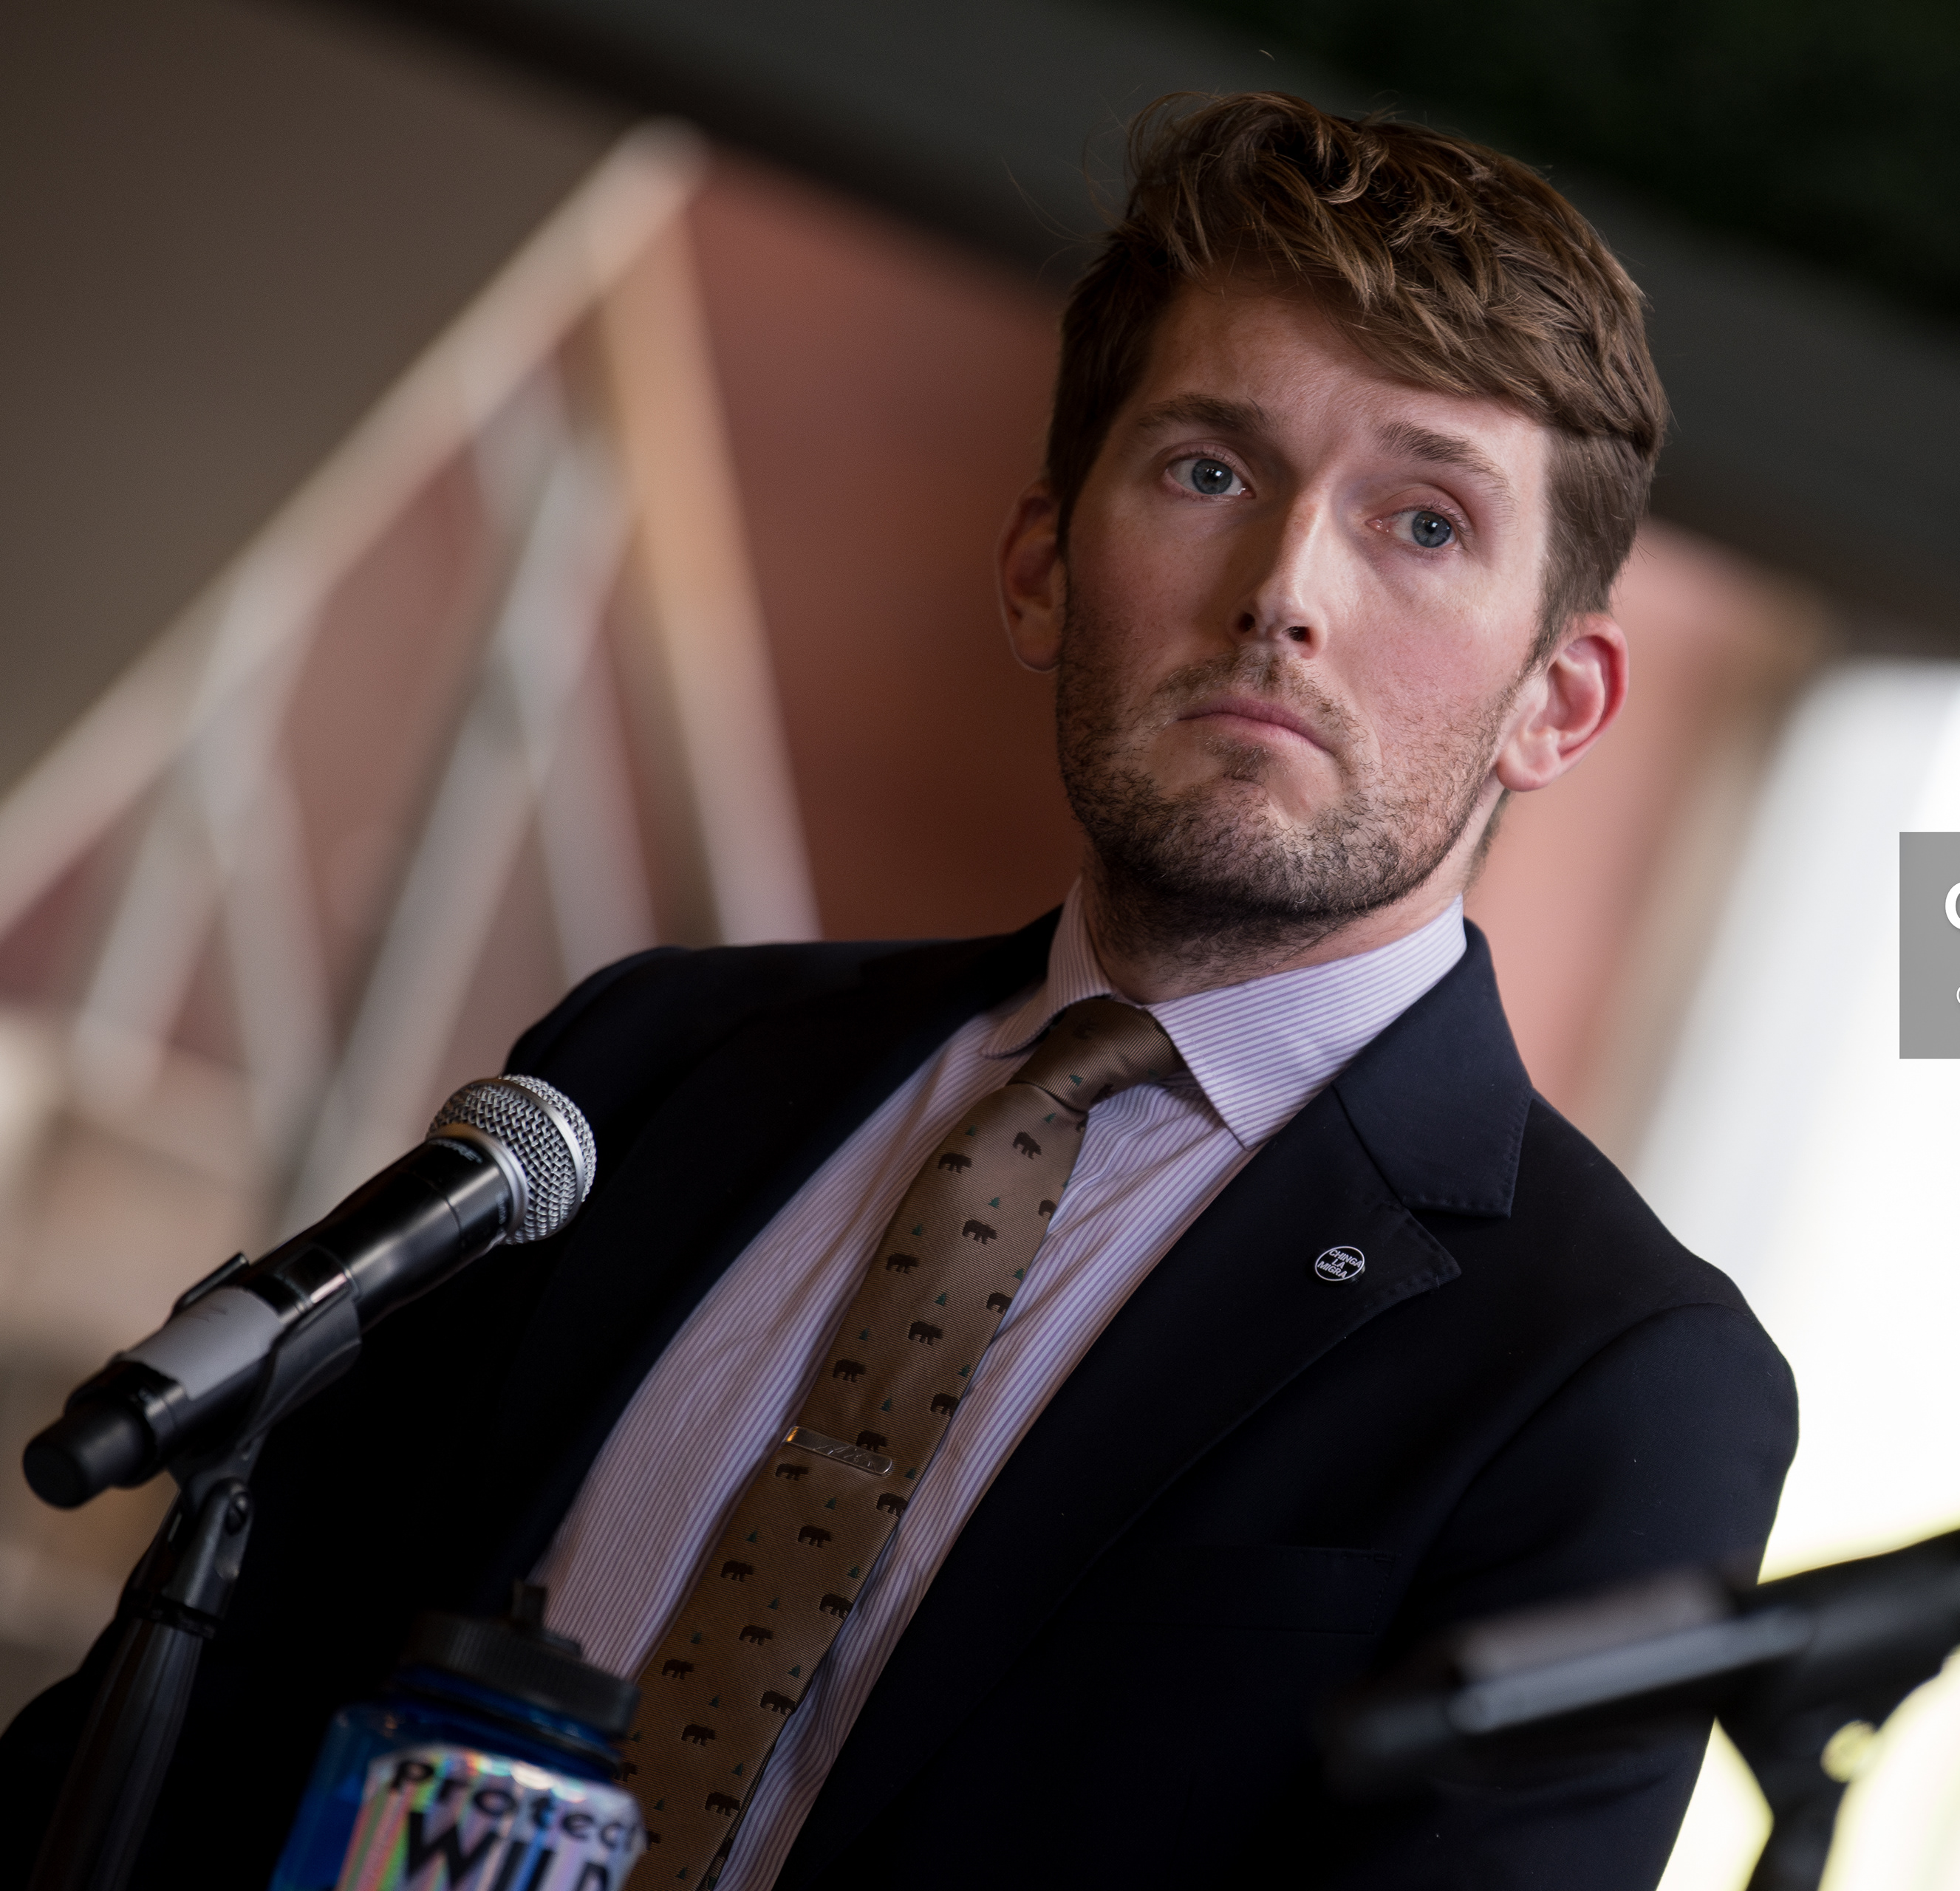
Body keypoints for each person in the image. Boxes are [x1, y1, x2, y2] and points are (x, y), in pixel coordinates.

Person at [0, 92, 1795, 1890]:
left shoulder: (1610, 1378)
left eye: (1422, 523)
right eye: (1208, 472)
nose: (1282, 595)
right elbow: (189, 1728)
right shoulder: (654, 1062)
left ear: (1561, 701)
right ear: (1042, 567)